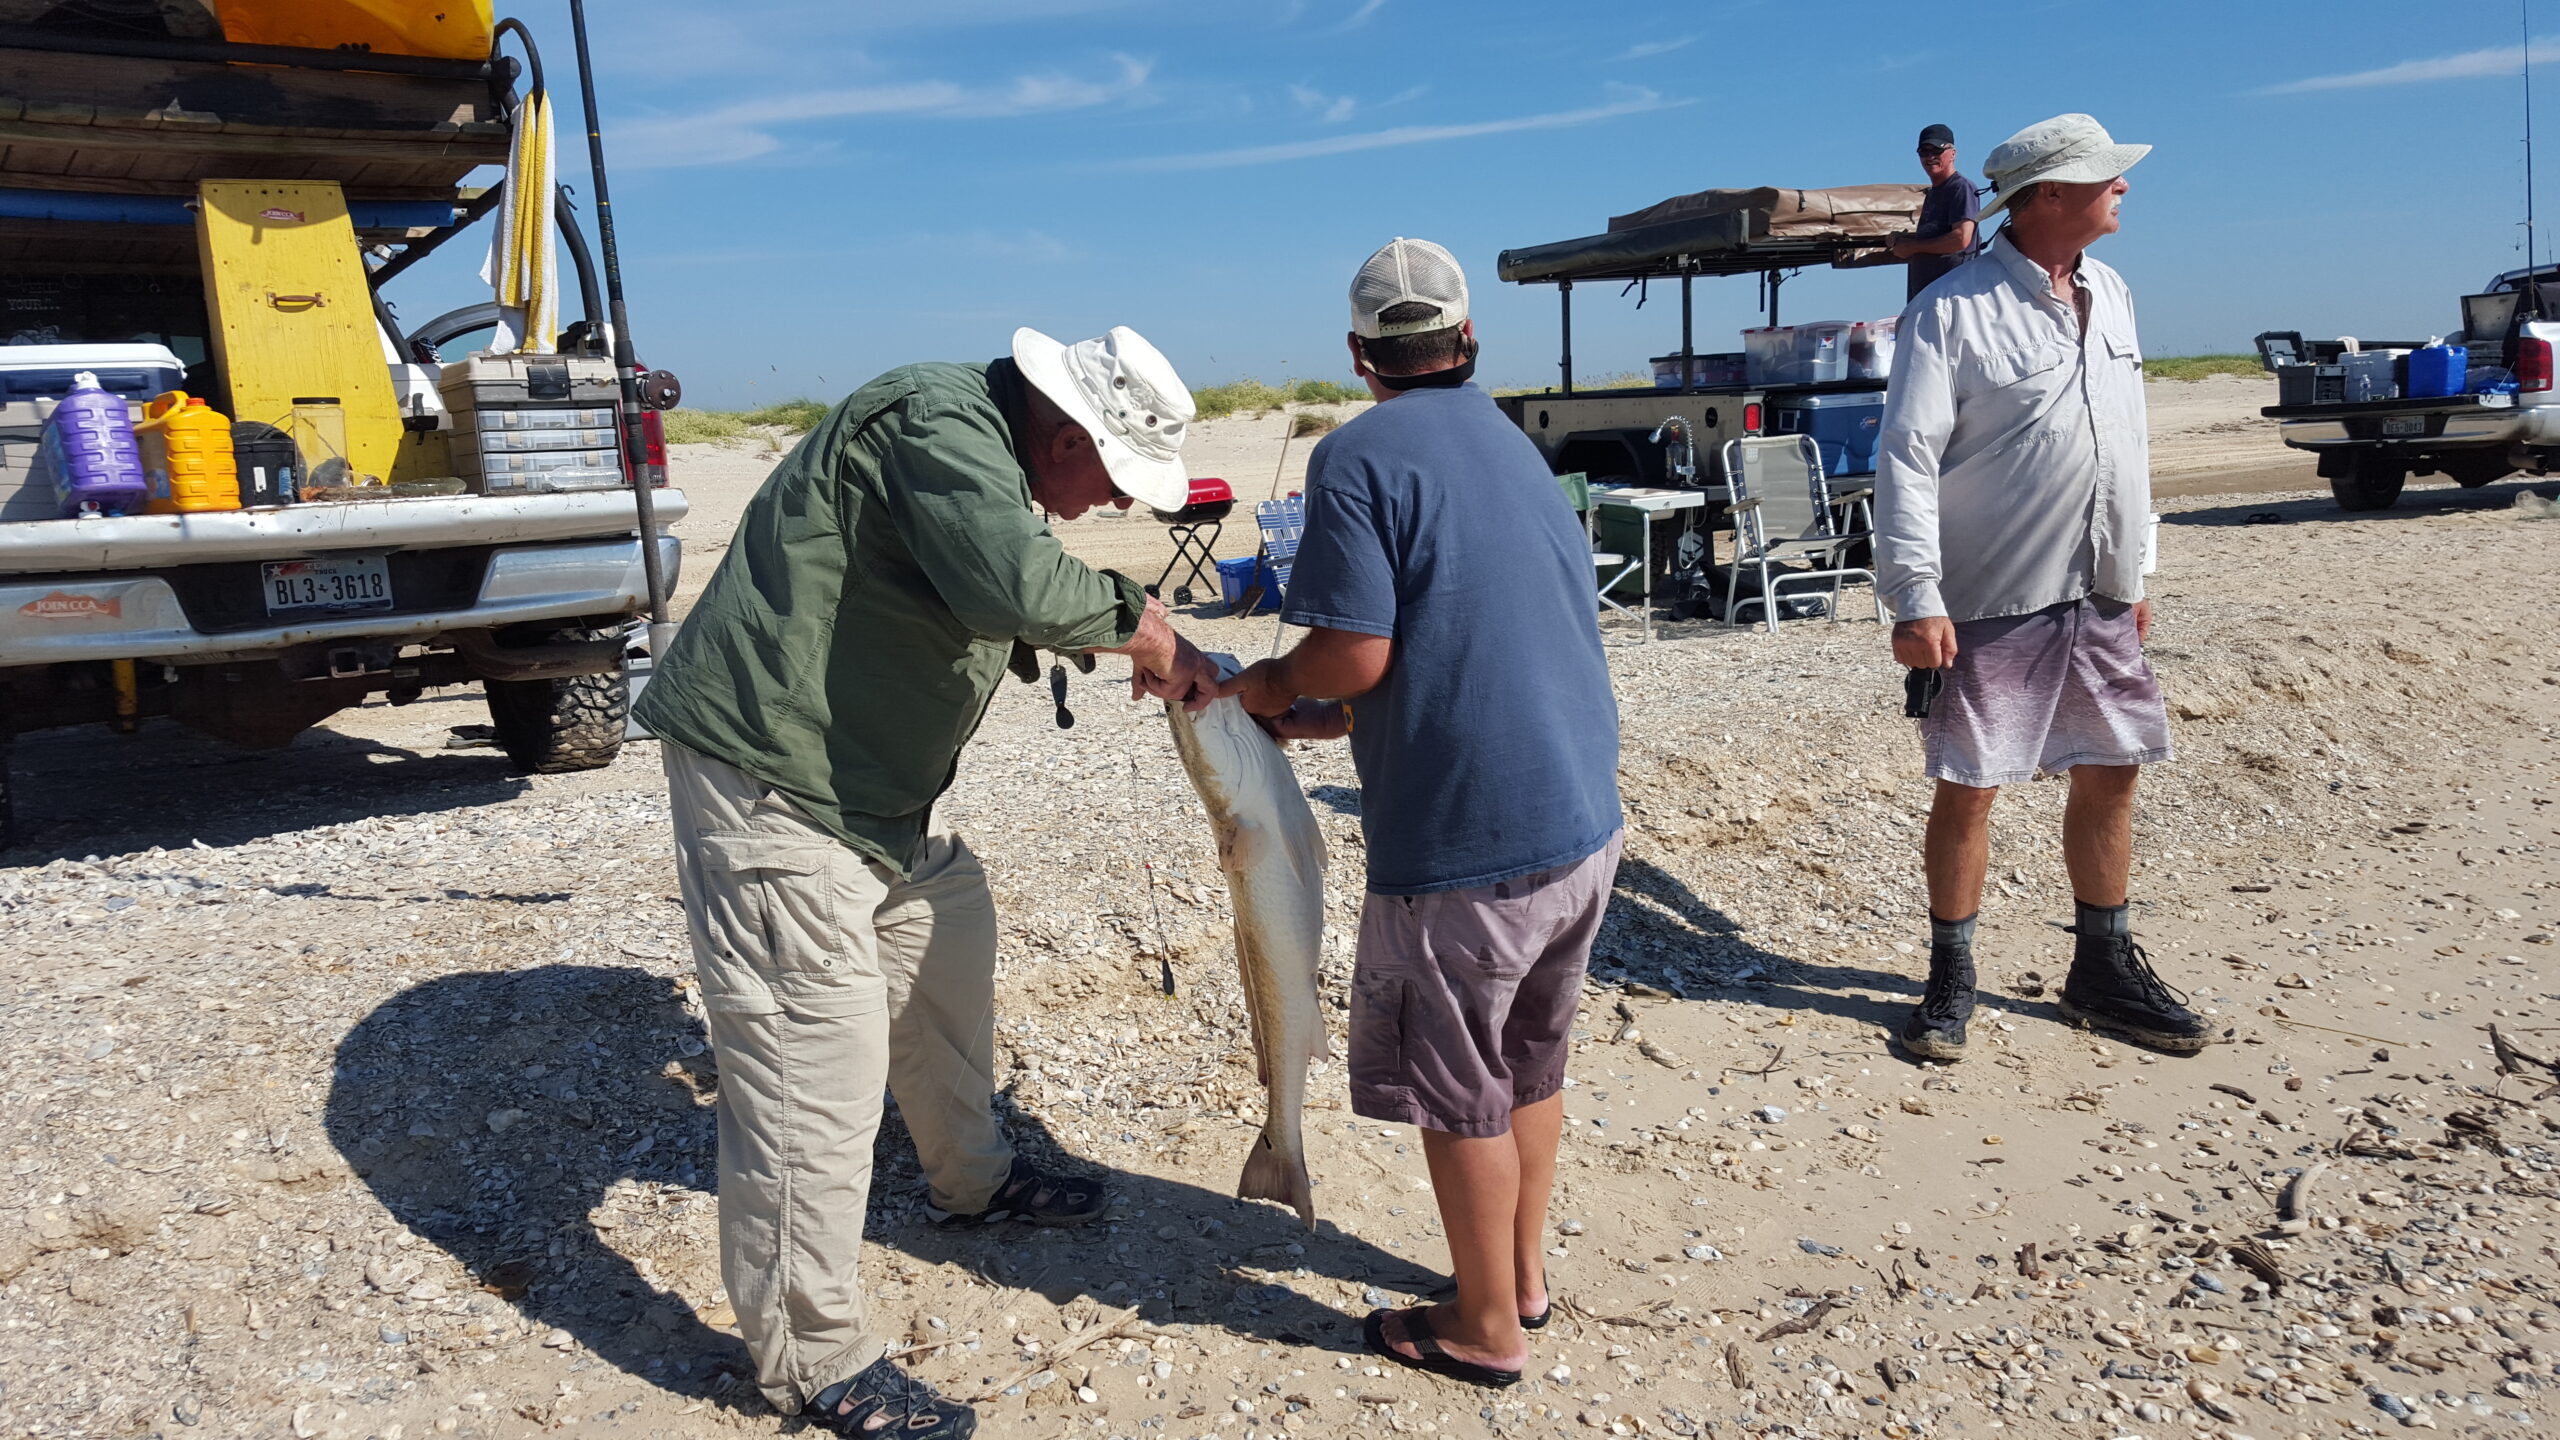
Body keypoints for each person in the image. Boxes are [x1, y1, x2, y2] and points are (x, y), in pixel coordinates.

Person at [632, 326, 1220, 1438]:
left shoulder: (990, 451)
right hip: (775, 780)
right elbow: (1008, 575)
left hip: (870, 806)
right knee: (815, 1065)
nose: (1101, 510)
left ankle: (972, 1181)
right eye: (1106, 484)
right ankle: (811, 1362)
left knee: (946, 926)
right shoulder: (939, 420)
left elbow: (987, 580)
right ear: (1063, 436)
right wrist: (1141, 624)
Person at [1218, 238, 1623, 1390]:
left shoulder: (1356, 454)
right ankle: (1519, 1279)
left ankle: (1482, 1328)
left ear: (1359, 355)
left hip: (1465, 846)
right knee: (1528, 1065)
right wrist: (1347, 725)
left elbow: (1351, 650)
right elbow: (1470, 638)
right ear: (1467, 341)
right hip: (1579, 822)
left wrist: (1267, 687)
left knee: (1460, 1091)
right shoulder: (1511, 442)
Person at [1872, 114, 2213, 1065]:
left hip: (2101, 589)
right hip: (1988, 596)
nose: (2125, 189)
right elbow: (1906, 459)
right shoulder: (1952, 309)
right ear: (2049, 196)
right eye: (2108, 177)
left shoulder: (2116, 294)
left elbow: (2127, 441)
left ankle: (2100, 966)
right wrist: (1914, 597)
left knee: (2113, 769)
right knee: (1972, 784)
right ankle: (1950, 976)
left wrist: (2136, 566)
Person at [1887, 123, 1981, 302]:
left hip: (1951, 300)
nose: (1930, 157)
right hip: (1928, 299)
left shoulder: (1961, 187)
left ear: (1953, 153)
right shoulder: (1933, 193)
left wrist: (1912, 247)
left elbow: (1961, 239)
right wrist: (1902, 240)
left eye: (1936, 150)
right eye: (1924, 152)